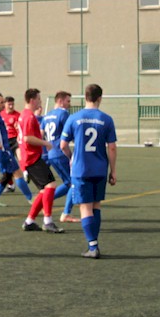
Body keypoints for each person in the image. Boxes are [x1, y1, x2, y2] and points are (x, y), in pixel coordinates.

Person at [61, 83, 117, 259]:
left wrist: (71, 158)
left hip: (81, 170)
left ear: (85, 97)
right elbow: (112, 148)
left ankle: (93, 247)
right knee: (96, 205)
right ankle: (94, 242)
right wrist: (113, 171)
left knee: (85, 208)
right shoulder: (107, 119)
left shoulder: (74, 118)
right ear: (100, 98)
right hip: (100, 169)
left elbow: (63, 145)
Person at [19, 88, 62, 234]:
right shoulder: (29, 116)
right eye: (38, 99)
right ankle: (48, 221)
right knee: (51, 185)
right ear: (32, 100)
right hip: (32, 157)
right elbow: (27, 138)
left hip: (29, 158)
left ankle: (29, 221)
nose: (40, 101)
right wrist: (46, 143)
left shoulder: (23, 115)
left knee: (44, 190)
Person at [0, 93, 33, 207]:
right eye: (1, 102)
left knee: (7, 176)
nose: (4, 104)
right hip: (2, 150)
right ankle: (31, 198)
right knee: (18, 173)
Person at [41, 91, 78, 223]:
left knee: (68, 183)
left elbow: (41, 134)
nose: (69, 104)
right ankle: (66, 213)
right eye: (68, 101)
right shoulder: (63, 114)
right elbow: (71, 132)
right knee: (75, 183)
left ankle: (43, 201)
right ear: (61, 101)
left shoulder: (47, 115)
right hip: (61, 153)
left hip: (51, 154)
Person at [3, 96, 21, 192]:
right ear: (5, 104)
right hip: (5, 142)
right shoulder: (0, 115)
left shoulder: (18, 115)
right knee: (7, 165)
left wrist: (18, 129)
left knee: (21, 158)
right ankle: (11, 185)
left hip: (15, 140)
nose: (11, 106)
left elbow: (22, 129)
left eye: (12, 104)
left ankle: (26, 174)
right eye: (9, 104)